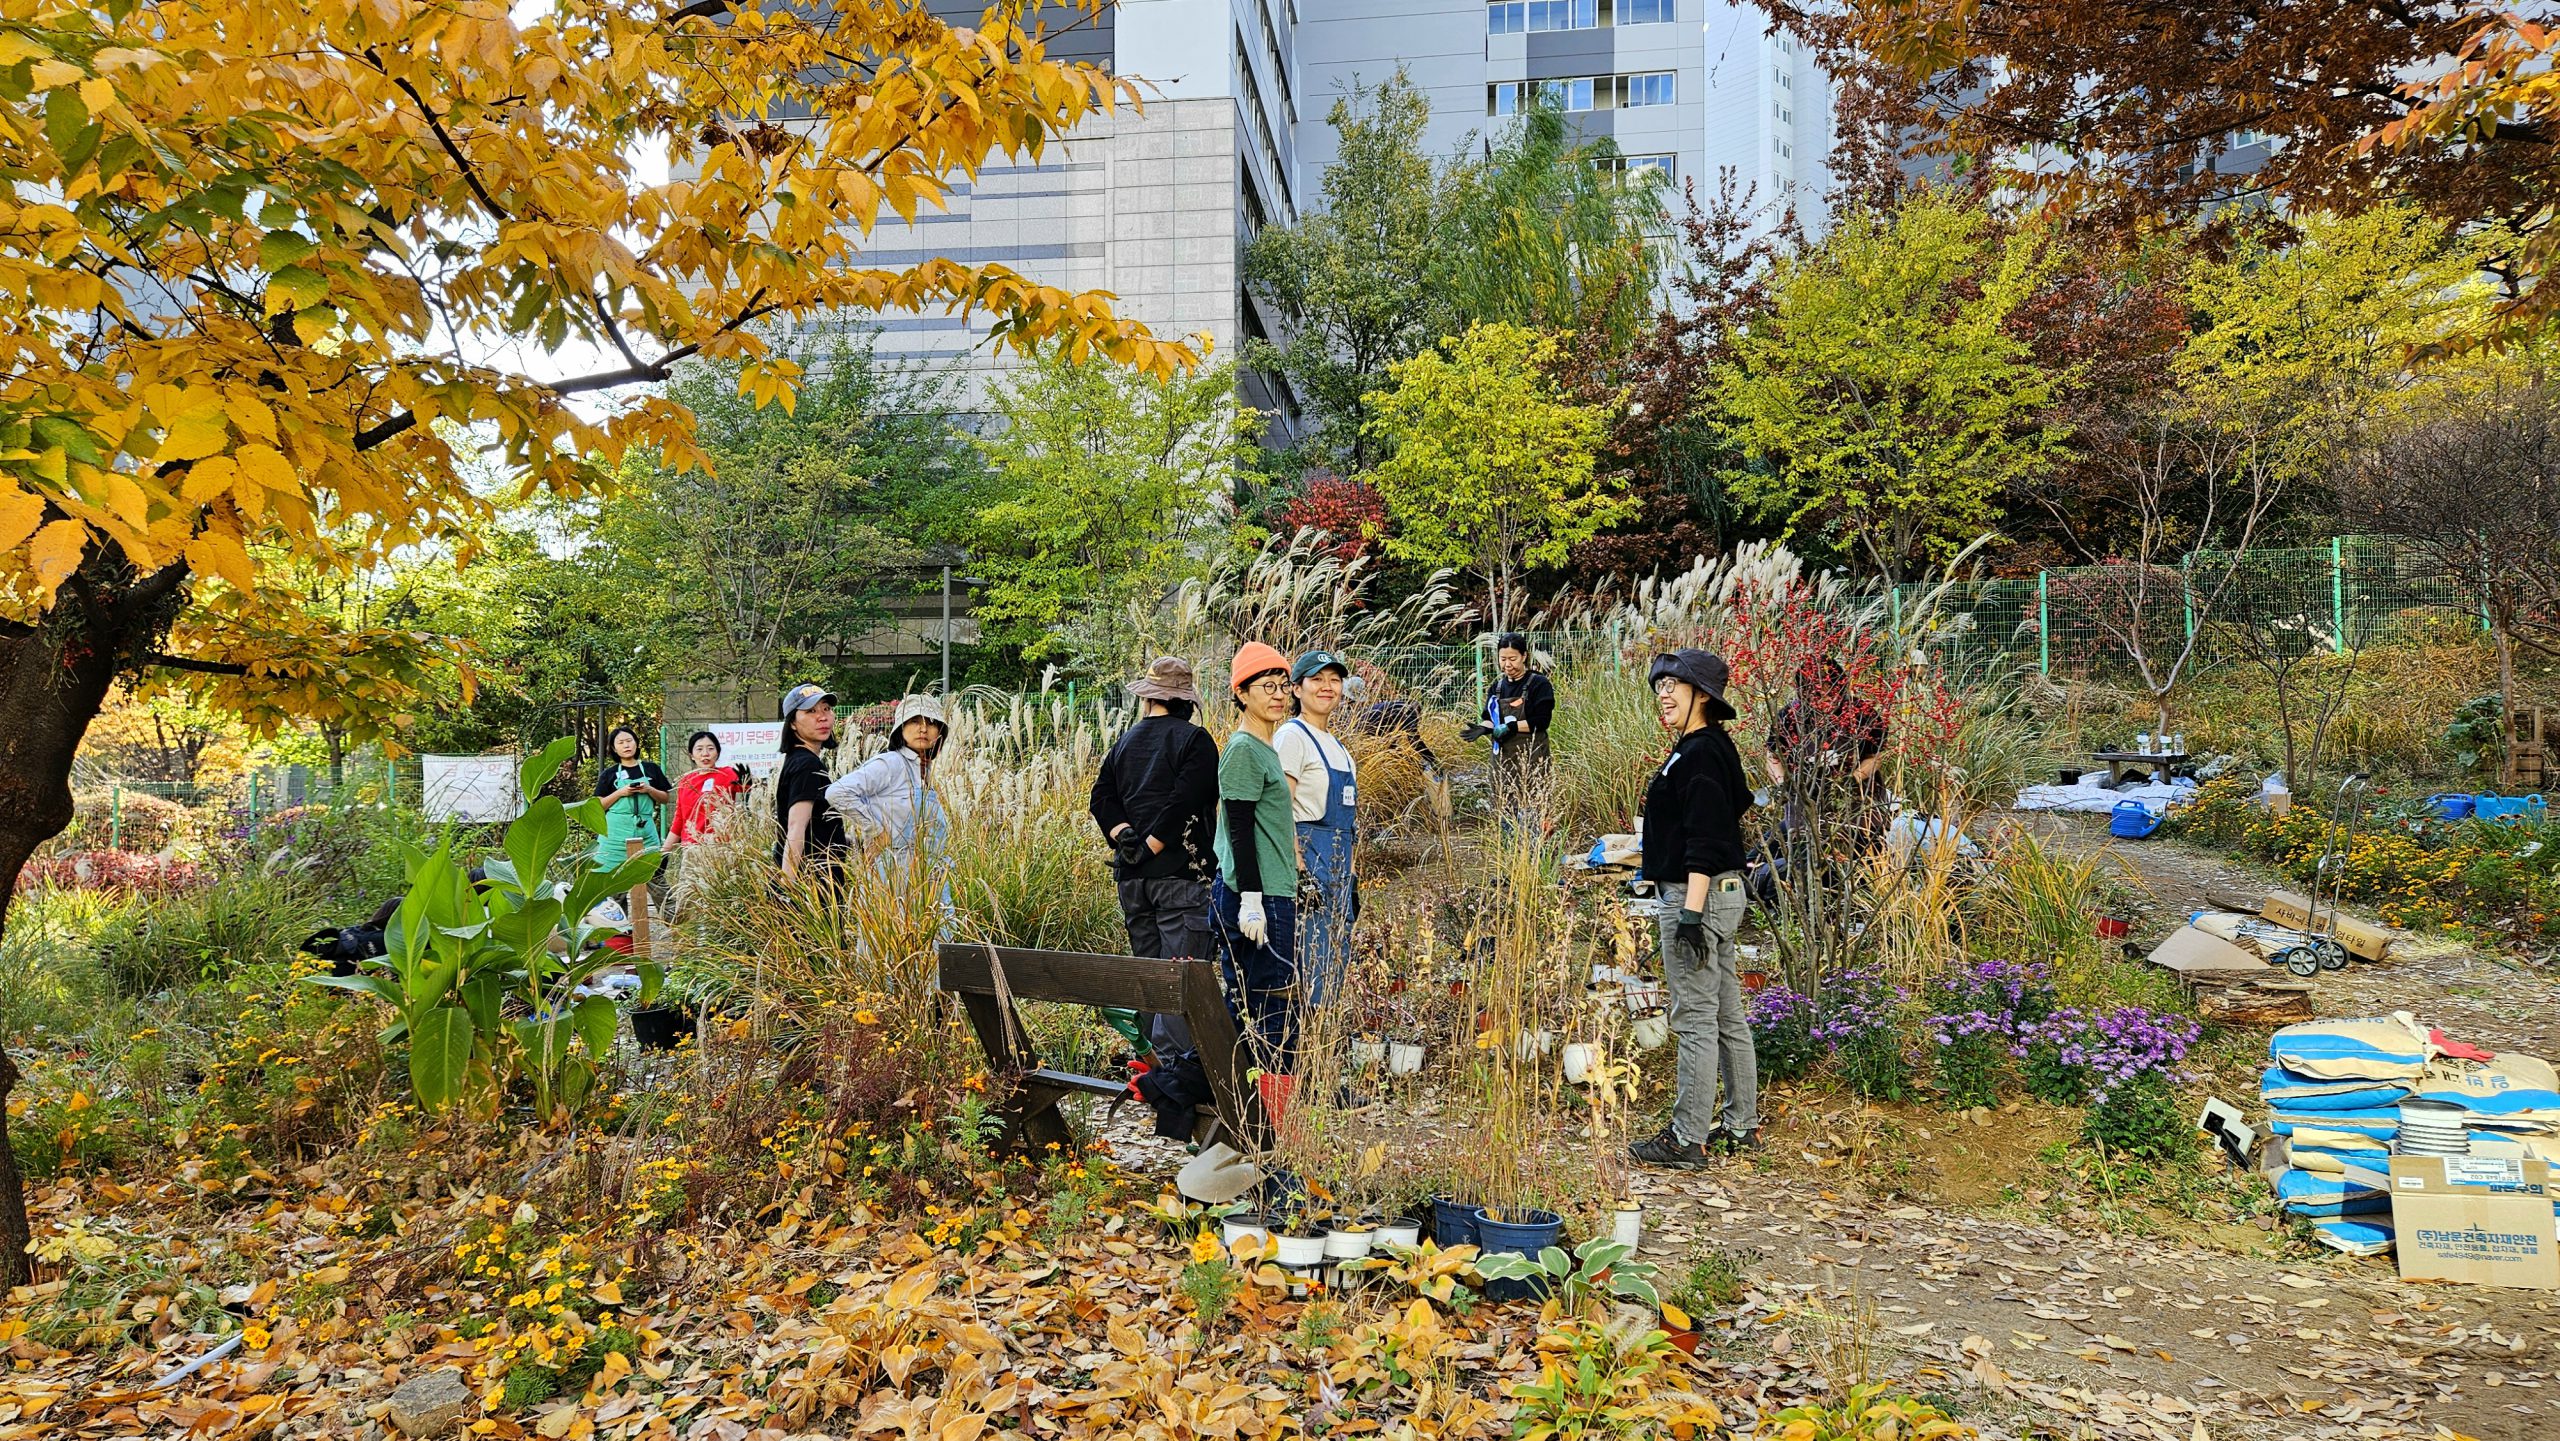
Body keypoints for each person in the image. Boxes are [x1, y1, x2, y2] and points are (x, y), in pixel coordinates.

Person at [1629, 648, 1759, 1168]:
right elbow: (1739, 805)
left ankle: (1687, 1139)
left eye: (1674, 685)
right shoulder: (1709, 747)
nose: (1663, 693)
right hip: (1719, 892)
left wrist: (1689, 916)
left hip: (1695, 894)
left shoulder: (1700, 751)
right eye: (1658, 685)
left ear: (1702, 695)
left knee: (1696, 1016)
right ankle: (1741, 1125)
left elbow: (1705, 836)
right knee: (1726, 1011)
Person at [1089, 656, 1221, 1057]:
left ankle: (1146, 1066)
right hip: (1180, 877)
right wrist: (1153, 845)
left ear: (1148, 700)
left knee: (1147, 976)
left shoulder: (1124, 742)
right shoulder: (1195, 741)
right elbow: (1185, 800)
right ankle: (1172, 1075)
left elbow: (1101, 798)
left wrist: (1125, 837)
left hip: (1132, 880)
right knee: (1179, 977)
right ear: (1185, 702)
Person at [1211, 643, 1302, 1073]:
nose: (1279, 694)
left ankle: (1224, 1096)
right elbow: (1239, 829)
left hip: (1274, 892)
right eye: (1267, 686)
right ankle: (1266, 1113)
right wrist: (1251, 900)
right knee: (1268, 1007)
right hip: (1257, 898)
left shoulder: (1265, 747)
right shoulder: (1244, 749)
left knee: (1255, 1004)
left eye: (1284, 685)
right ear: (1242, 693)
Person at [1275, 648, 1358, 1008]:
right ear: (1296, 689)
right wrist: (1299, 871)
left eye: (1334, 680)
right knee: (1310, 965)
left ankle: (1327, 1045)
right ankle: (1304, 1049)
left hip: (1340, 867)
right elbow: (1280, 809)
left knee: (1337, 962)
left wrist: (1353, 877)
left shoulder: (1338, 746)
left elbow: (1351, 821)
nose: (1327, 687)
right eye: (1317, 679)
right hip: (1310, 864)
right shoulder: (1292, 737)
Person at [826, 695, 952, 884]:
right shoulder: (891, 763)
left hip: (926, 882)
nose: (923, 728)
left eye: (932, 723)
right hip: (894, 879)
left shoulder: (924, 770)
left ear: (940, 732)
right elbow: (837, 792)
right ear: (901, 728)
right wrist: (875, 829)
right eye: (915, 721)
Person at [774, 683, 848, 882]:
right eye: (810, 711)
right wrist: (788, 887)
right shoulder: (806, 765)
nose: (822, 717)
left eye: (826, 709)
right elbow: (796, 826)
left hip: (815, 880)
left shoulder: (799, 759)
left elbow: (816, 829)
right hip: (812, 886)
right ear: (792, 723)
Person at [1475, 633, 1554, 818]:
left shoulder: (1538, 684)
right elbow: (1489, 717)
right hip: (1502, 761)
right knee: (1505, 811)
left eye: (1513, 659)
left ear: (1524, 656)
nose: (1507, 665)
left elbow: (1542, 721)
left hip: (1532, 758)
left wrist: (1511, 727)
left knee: (1532, 810)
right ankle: (1508, 845)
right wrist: (1483, 728)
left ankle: (1535, 845)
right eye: (1503, 659)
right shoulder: (1497, 687)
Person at [671, 730, 752, 847]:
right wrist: (664, 852)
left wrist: (748, 782)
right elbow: (679, 819)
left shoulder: (728, 773)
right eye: (699, 749)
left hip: (721, 846)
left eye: (710, 748)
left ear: (718, 753)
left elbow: (748, 791)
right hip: (691, 847)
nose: (705, 754)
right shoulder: (685, 781)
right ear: (691, 755)